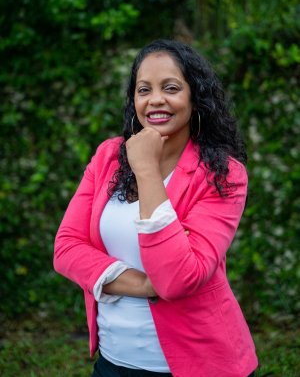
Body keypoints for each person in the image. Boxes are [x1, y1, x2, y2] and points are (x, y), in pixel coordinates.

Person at [54, 39, 258, 377]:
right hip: (114, 362)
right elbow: (66, 248)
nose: (155, 100)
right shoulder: (108, 156)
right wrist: (147, 286)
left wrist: (146, 169)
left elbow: (179, 279)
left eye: (171, 87)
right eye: (143, 89)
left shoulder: (224, 174)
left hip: (200, 364)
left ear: (196, 99)